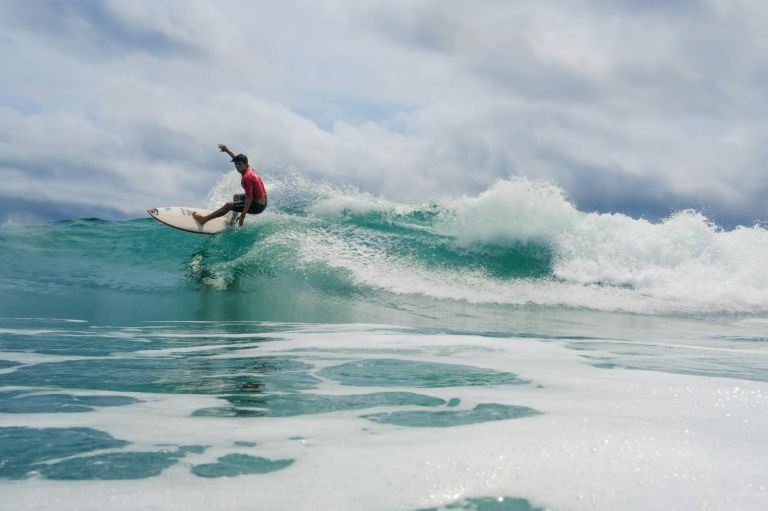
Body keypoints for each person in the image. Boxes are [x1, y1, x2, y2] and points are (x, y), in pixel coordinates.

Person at [193, 144, 268, 227]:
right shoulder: (248, 168)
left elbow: (249, 198)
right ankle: (232, 221)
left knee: (228, 205)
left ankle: (203, 220)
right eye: (236, 164)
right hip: (261, 200)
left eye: (239, 164)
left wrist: (243, 215)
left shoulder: (247, 178)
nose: (237, 166)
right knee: (236, 197)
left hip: (258, 206)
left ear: (245, 164)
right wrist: (227, 150)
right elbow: (235, 158)